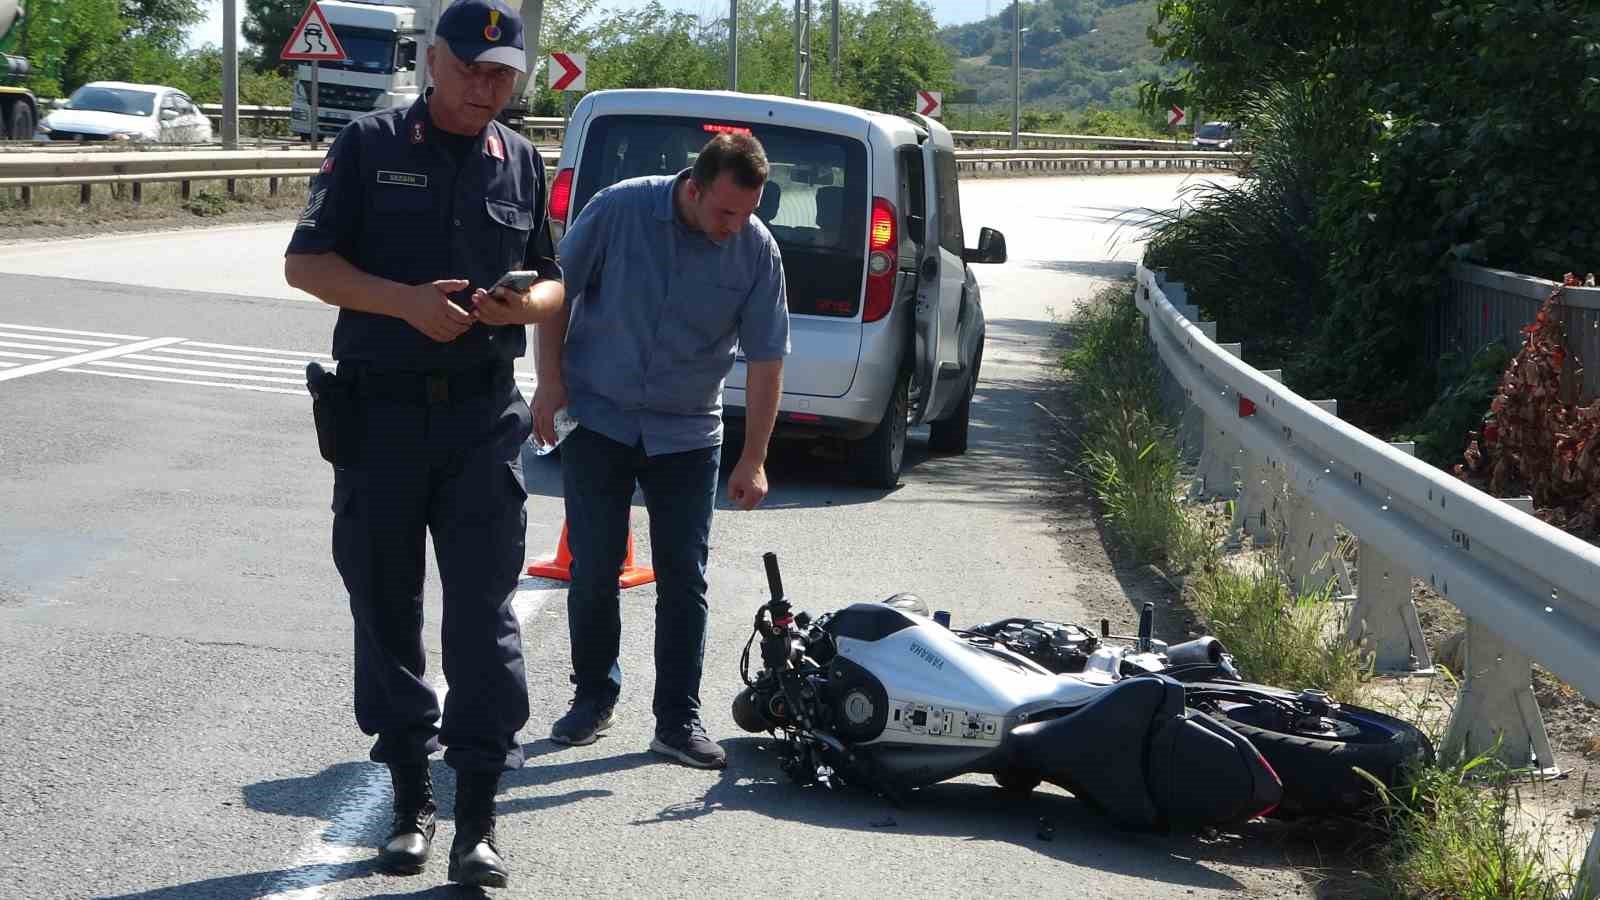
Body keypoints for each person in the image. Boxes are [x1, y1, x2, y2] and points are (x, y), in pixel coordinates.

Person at [282, 0, 562, 887]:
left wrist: (526, 304)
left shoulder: (520, 158)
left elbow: (556, 282)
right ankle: (410, 800)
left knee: (484, 619)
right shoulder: (367, 145)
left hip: (482, 420)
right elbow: (307, 263)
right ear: (433, 61)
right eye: (474, 70)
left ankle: (478, 816)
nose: (488, 88)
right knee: (386, 609)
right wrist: (404, 301)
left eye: (504, 76)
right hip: (381, 418)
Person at [536, 132, 789, 769]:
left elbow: (766, 358)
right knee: (593, 569)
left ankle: (677, 720)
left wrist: (753, 457)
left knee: (686, 580)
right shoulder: (619, 209)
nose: (736, 226)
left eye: (749, 212)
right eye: (727, 212)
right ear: (694, 187)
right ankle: (593, 697)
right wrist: (550, 382)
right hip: (599, 418)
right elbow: (555, 293)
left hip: (686, 432)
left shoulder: (756, 250)